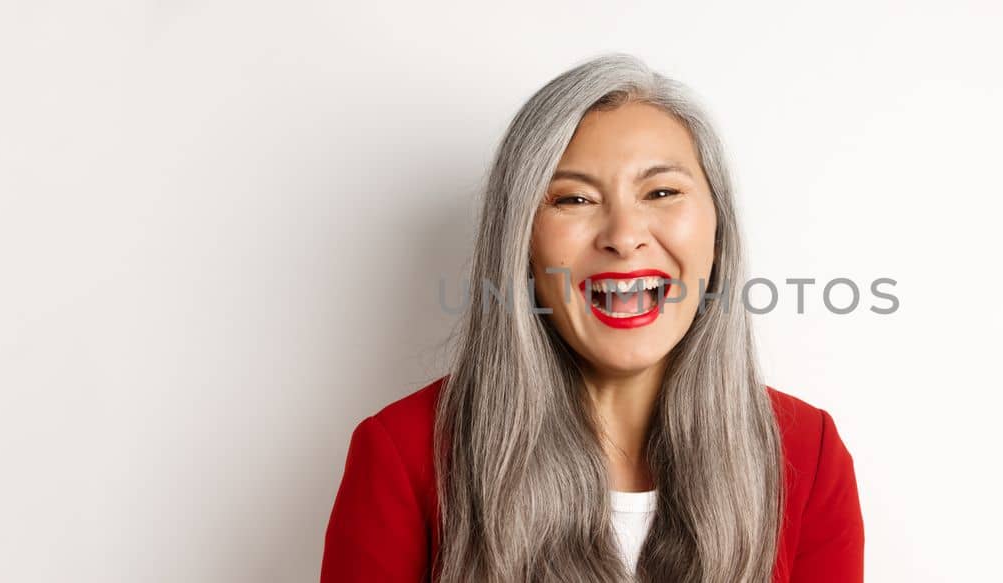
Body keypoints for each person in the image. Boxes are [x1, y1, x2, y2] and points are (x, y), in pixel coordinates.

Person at [321, 53, 864, 583]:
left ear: (718, 233)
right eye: (574, 199)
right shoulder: (404, 453)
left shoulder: (807, 455)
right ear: (521, 246)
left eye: (662, 192)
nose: (624, 236)